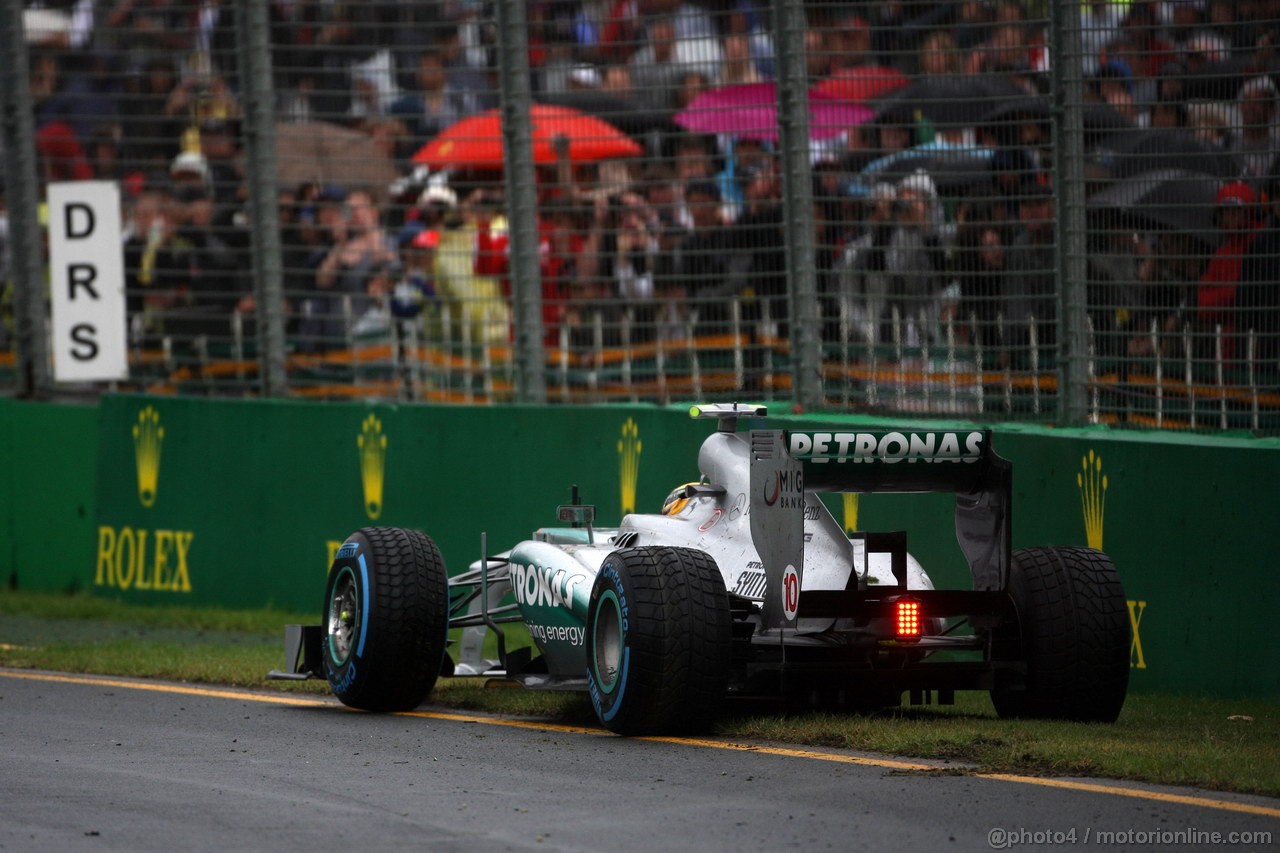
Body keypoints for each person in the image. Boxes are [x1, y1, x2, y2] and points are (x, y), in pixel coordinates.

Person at [1197, 181, 1263, 362]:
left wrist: (1230, 294)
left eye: (1236, 210)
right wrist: (1237, 292)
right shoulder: (1222, 254)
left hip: (1261, 344)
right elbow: (1203, 305)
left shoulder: (1264, 244)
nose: (1230, 216)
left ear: (1248, 213)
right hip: (1228, 347)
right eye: (1225, 211)